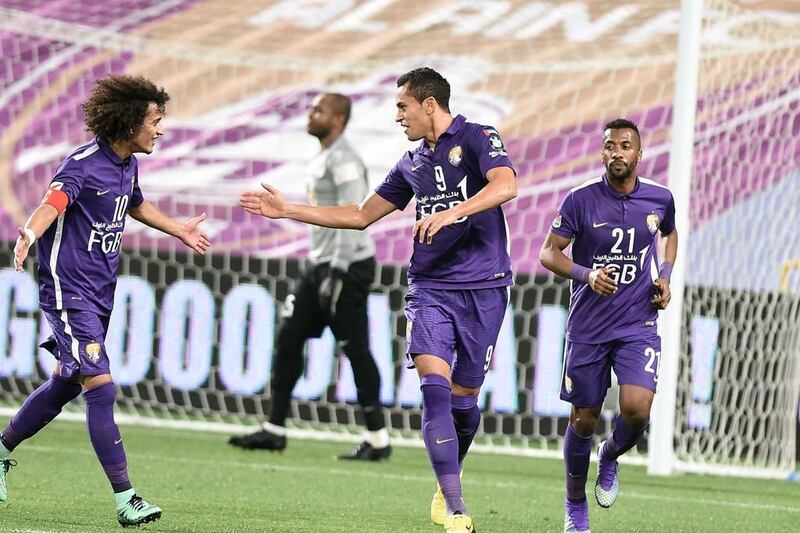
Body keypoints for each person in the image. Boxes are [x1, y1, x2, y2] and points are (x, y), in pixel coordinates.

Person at [239, 67, 516, 533]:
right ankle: (455, 506)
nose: (397, 117)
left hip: (485, 286)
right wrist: (289, 210)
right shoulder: (412, 163)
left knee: (465, 399)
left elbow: (506, 185)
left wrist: (452, 213)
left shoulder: (476, 137)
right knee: (434, 387)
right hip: (429, 286)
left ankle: (450, 473)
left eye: (402, 106)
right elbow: (361, 214)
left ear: (430, 104)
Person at [1, 74, 210, 528]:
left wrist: (178, 229)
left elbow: (135, 204)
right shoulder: (82, 163)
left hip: (99, 292)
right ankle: (126, 499)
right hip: (68, 290)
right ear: (130, 120)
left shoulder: (126, 164)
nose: (161, 129)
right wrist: (31, 232)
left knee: (66, 383)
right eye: (155, 120)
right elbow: (53, 201)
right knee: (102, 386)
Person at [228, 93, 392, 460]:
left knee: (356, 347)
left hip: (346, 266)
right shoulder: (325, 156)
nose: (310, 114)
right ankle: (274, 428)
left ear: (337, 120)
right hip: (322, 266)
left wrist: (336, 271)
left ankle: (378, 438)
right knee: (289, 337)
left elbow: (356, 217)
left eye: (319, 110)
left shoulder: (346, 160)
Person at [539, 118, 678, 533]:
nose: (617, 153)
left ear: (639, 153)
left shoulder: (660, 197)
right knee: (583, 418)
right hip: (588, 327)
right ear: (601, 153)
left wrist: (665, 275)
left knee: (636, 409)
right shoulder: (580, 199)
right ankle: (575, 505)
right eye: (609, 147)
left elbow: (669, 234)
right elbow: (549, 253)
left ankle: (611, 455)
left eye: (625, 146)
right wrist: (587, 275)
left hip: (637, 322)